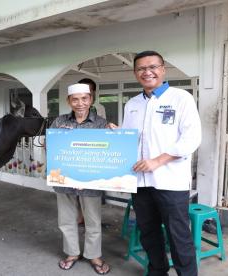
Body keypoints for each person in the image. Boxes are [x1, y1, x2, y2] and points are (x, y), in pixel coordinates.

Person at [118, 51, 201, 275]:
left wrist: (158, 161)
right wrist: (117, 136)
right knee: (149, 232)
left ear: (163, 69)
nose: (147, 72)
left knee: (178, 236)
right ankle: (157, 271)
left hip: (170, 182)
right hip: (140, 181)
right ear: (136, 74)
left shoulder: (181, 98)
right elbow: (130, 138)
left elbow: (191, 138)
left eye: (152, 67)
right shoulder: (132, 104)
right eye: (141, 69)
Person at [50, 83, 110, 275]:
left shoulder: (101, 124)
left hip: (90, 182)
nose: (80, 103)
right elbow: (51, 148)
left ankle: (93, 255)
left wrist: (116, 134)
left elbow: (106, 152)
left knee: (93, 220)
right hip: (65, 181)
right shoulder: (59, 122)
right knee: (66, 219)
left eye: (84, 98)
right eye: (75, 99)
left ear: (91, 100)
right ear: (69, 101)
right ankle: (72, 253)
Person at [77, 78, 106, 226]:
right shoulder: (75, 105)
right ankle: (81, 216)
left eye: (89, 89)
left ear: (93, 91)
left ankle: (91, 219)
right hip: (77, 152)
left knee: (92, 188)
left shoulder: (99, 108)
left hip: (93, 152)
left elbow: (102, 126)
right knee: (76, 186)